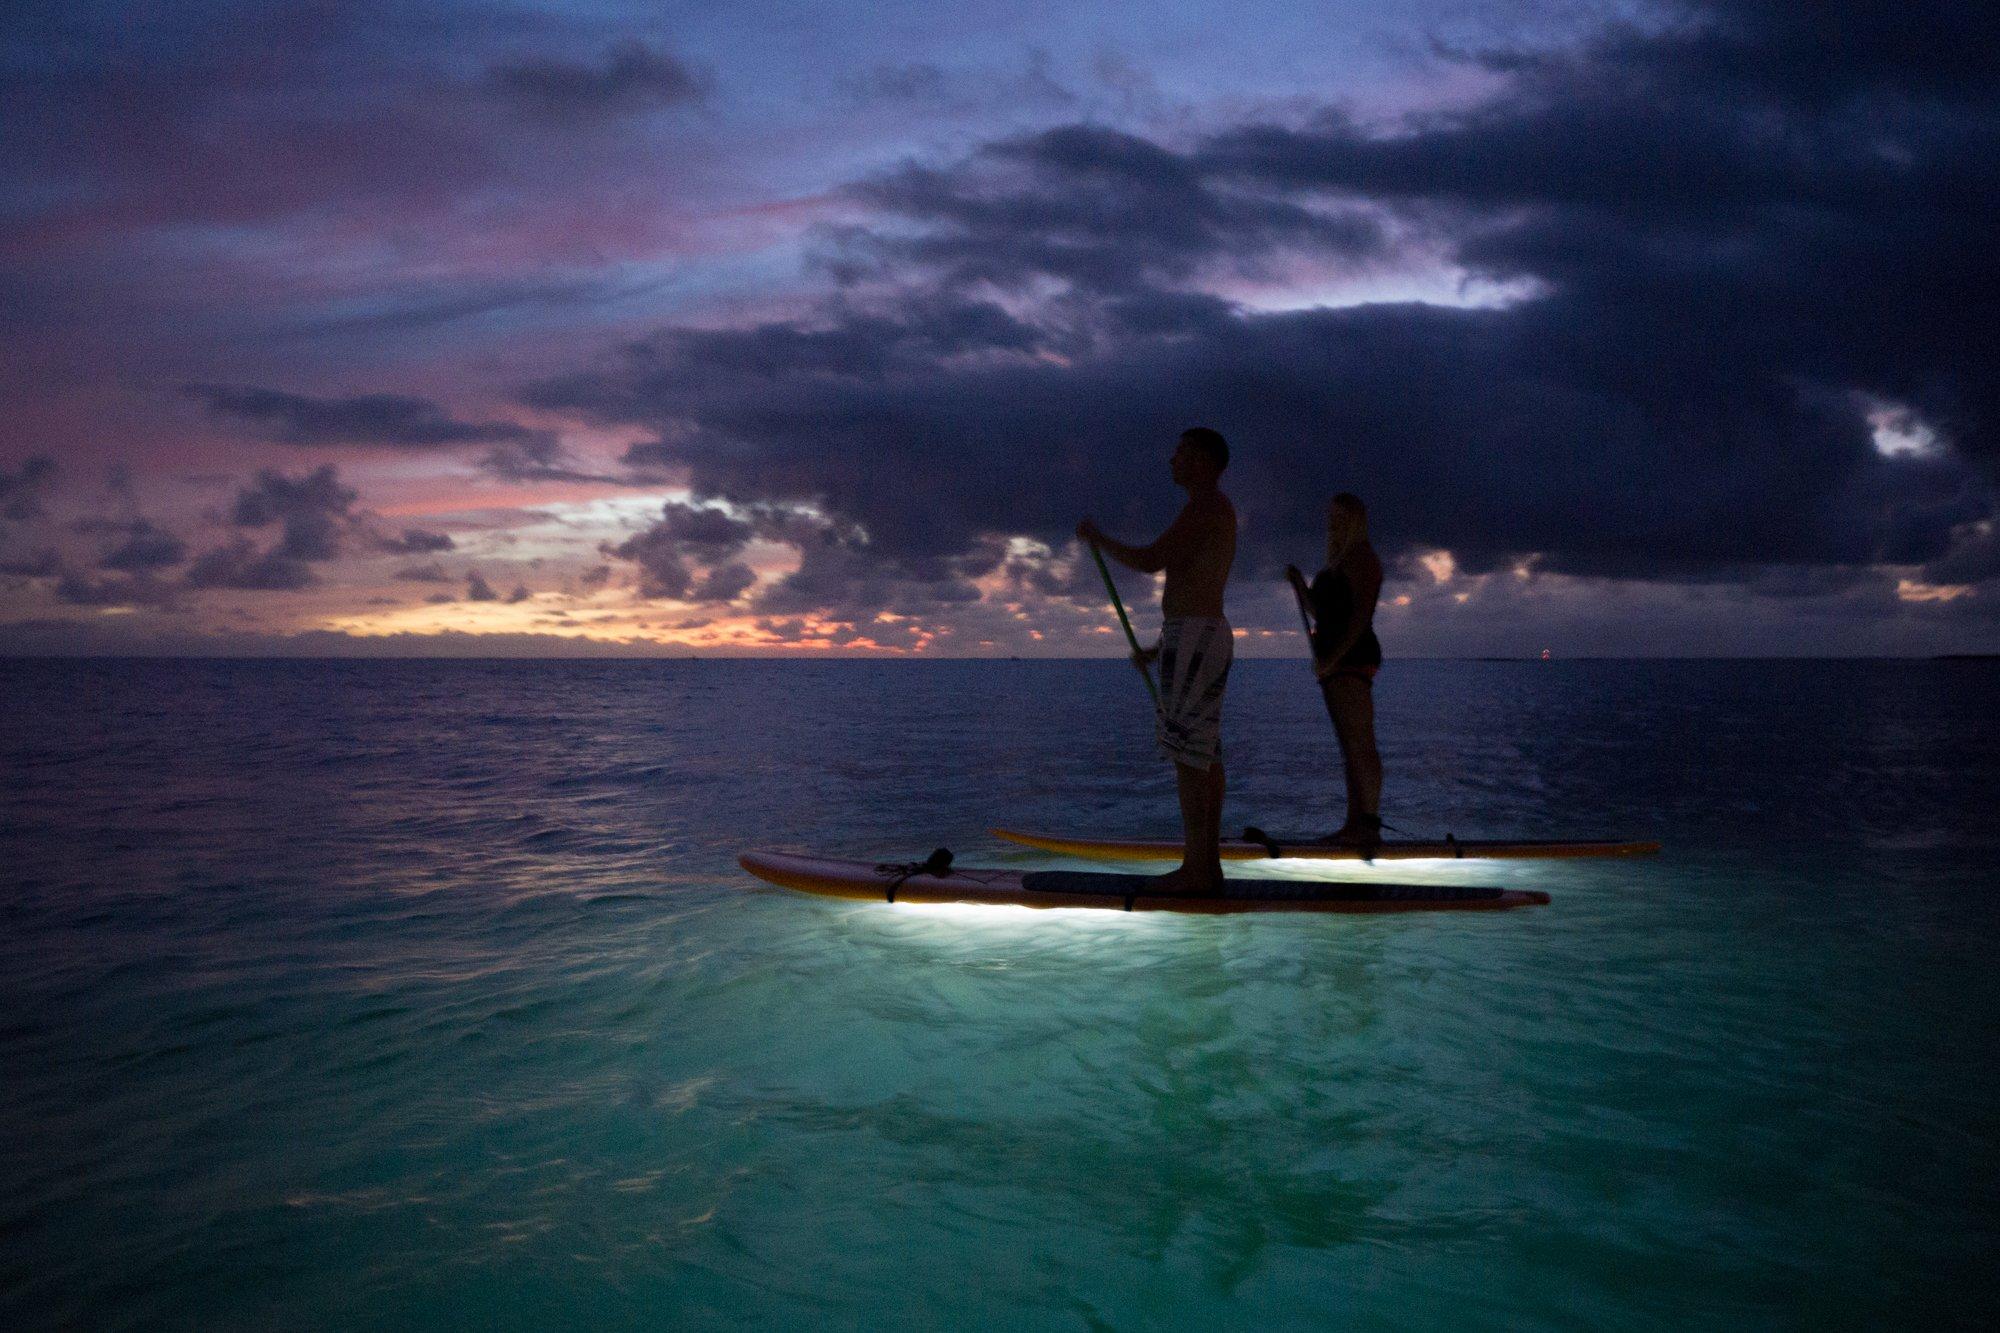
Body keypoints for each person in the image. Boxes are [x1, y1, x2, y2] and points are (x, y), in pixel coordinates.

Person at [1077, 428, 1238, 894]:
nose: (1172, 461)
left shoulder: (1207, 507)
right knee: (1204, 754)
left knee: (1191, 758)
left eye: (1181, 454)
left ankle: (1197, 870)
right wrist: (1159, 649)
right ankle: (1207, 866)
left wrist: (1097, 538)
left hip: (1195, 638)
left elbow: (1152, 561)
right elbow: (1192, 583)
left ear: (1204, 462)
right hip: (1196, 638)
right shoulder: (1212, 510)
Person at [1286, 492, 1383, 846]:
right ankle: (1354, 822)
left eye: (1342, 518)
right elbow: (1320, 612)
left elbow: (1359, 619)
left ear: (1356, 521)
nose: (1334, 523)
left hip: (1351, 659)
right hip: (1333, 661)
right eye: (1331, 517)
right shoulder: (1336, 562)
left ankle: (1369, 825)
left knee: (1360, 742)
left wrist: (1333, 659)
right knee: (1348, 745)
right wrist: (1299, 585)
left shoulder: (1362, 559)